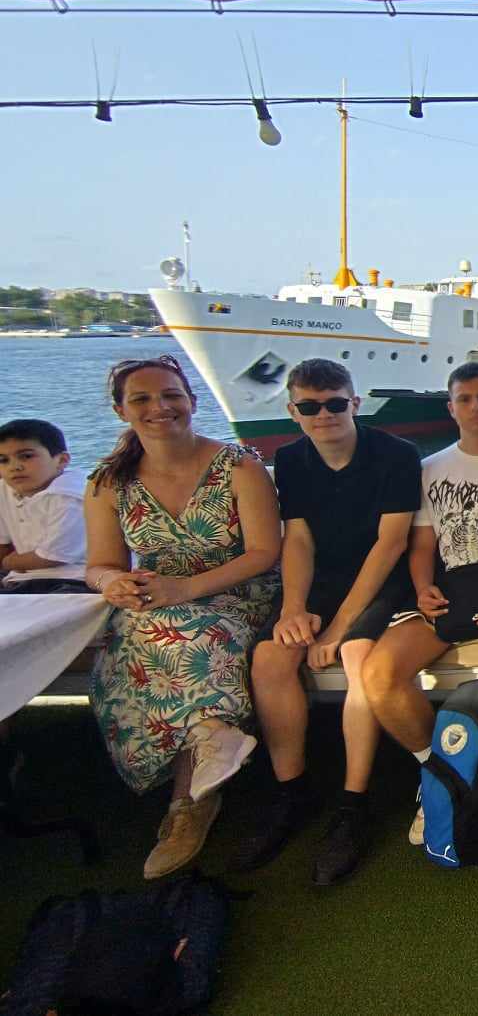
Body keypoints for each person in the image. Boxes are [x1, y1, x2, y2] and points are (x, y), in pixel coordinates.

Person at [82, 356, 282, 879]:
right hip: (155, 601)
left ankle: (188, 806)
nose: (160, 407)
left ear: (191, 401)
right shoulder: (109, 482)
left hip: (237, 594)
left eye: (171, 395)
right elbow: (100, 564)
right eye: (142, 399)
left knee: (190, 638)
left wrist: (186, 589)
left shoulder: (238, 467)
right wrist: (112, 583)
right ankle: (210, 742)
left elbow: (265, 553)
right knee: (126, 643)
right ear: (121, 410)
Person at [235, 359, 422, 884]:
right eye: (310, 407)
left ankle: (352, 802)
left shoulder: (397, 454)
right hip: (321, 579)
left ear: (354, 404)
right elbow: (298, 539)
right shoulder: (291, 460)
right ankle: (291, 790)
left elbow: (390, 544)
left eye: (336, 403)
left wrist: (338, 629)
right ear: (293, 411)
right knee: (271, 658)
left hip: (382, 579)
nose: (324, 415)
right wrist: (293, 608)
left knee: (357, 656)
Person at [361, 363, 478, 841]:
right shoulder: (430, 468)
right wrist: (422, 587)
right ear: (450, 408)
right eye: (465, 399)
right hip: (453, 587)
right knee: (380, 674)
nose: (475, 407)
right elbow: (422, 544)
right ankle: (441, 772)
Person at [0, 418, 89, 594]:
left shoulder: (69, 496)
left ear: (62, 460)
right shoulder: (6, 489)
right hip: (22, 578)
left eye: (26, 456)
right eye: (3, 460)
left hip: (75, 579)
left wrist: (8, 562)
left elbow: (54, 556)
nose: (14, 467)